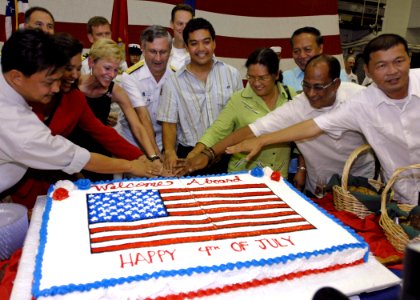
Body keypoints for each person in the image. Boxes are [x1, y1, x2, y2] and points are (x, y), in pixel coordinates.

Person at [227, 34, 419, 205]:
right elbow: (312, 126)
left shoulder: (355, 95)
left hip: (361, 186)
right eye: (382, 65)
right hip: (390, 196)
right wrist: (256, 141)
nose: (392, 71)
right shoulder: (360, 102)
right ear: (368, 70)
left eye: (398, 61)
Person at [8, 33, 162, 208]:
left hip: (64, 174)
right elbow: (69, 154)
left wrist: (143, 157)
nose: (74, 75)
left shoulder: (74, 98)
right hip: (27, 183)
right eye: (67, 68)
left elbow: (103, 133)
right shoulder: (28, 96)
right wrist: (131, 166)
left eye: (76, 68)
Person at [183, 54, 374, 195]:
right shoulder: (299, 103)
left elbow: (315, 126)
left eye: (319, 87)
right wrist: (208, 154)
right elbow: (252, 129)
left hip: (358, 181)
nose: (312, 93)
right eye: (306, 86)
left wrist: (263, 141)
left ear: (336, 84)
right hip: (319, 182)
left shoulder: (358, 97)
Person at [185, 48, 295, 177]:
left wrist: (302, 167)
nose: (256, 83)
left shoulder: (290, 96)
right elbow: (216, 131)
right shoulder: (238, 99)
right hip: (243, 176)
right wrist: (195, 154)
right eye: (251, 77)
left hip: (279, 177)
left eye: (262, 78)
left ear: (276, 75)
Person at [157, 17, 243, 173]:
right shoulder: (173, 81)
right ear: (187, 47)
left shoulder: (232, 74)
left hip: (227, 153)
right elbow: (169, 123)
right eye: (194, 43)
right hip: (190, 156)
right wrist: (169, 151)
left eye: (206, 41)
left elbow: (240, 116)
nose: (201, 48)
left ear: (214, 43)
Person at [74, 38, 161, 180]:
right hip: (71, 155)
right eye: (107, 68)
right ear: (91, 62)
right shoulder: (73, 85)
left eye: (116, 69)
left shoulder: (115, 91)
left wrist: (153, 157)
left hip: (101, 158)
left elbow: (137, 126)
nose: (112, 75)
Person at [119, 25, 173, 152]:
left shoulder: (176, 76)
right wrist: (156, 156)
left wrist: (168, 152)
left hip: (165, 142)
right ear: (142, 49)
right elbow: (143, 117)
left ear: (170, 50)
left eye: (163, 52)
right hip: (132, 142)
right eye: (153, 51)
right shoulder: (130, 77)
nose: (158, 58)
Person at [282, 26, 348, 93]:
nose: (302, 55)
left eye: (307, 49)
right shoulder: (286, 78)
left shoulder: (339, 75)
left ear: (320, 48)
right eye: (296, 51)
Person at [169, 3, 194, 70]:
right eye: (180, 24)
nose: (184, 28)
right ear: (172, 24)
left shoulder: (202, 54)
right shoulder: (160, 52)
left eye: (188, 24)